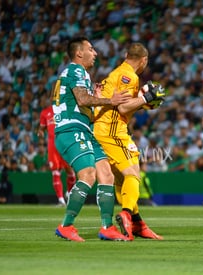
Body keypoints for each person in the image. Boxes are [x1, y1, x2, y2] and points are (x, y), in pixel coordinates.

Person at [53, 36, 133, 242]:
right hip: (71, 129)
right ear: (79, 53)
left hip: (84, 129)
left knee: (107, 175)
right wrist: (109, 100)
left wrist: (96, 99)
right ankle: (66, 226)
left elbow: (83, 102)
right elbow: (82, 99)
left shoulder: (82, 75)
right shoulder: (76, 70)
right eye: (91, 49)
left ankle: (107, 228)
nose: (95, 53)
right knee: (88, 174)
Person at [94, 42, 165, 240]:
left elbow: (123, 106)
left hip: (103, 129)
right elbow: (123, 109)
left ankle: (138, 224)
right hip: (113, 130)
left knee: (120, 179)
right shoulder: (129, 76)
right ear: (144, 60)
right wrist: (146, 98)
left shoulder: (117, 72)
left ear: (126, 55)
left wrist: (142, 103)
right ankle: (127, 214)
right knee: (133, 173)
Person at [38, 104, 76, 206]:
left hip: (65, 143)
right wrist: (40, 132)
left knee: (70, 170)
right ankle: (60, 200)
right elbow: (41, 128)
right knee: (55, 171)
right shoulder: (45, 112)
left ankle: (69, 194)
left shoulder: (66, 108)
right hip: (52, 146)